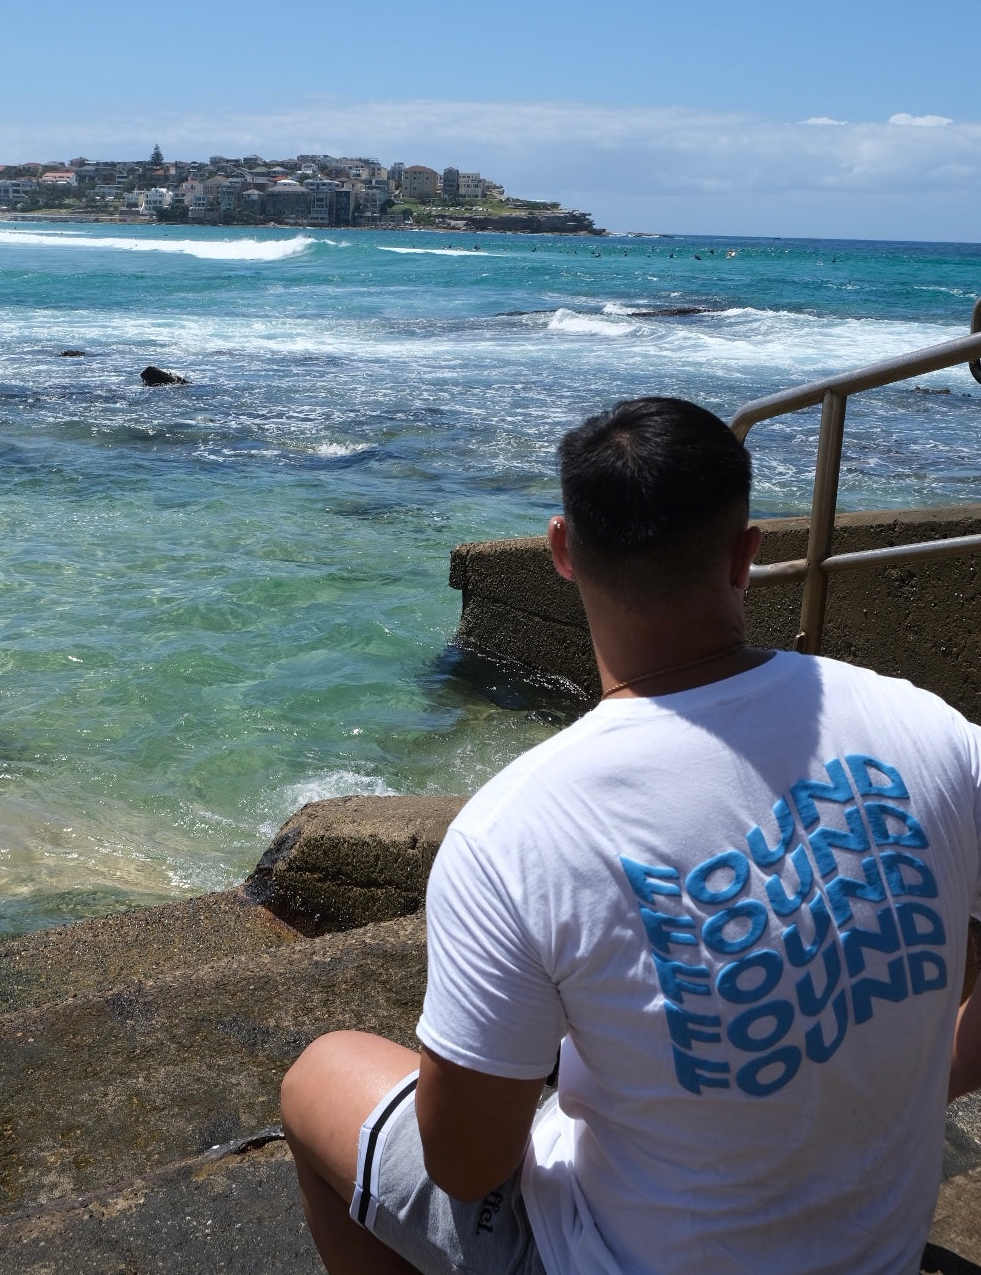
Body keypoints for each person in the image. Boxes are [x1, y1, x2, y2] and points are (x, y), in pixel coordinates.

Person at [281, 396, 981, 1275]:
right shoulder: (933, 729)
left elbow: (465, 1166)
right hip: (876, 1249)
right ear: (747, 554)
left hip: (615, 1255)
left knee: (322, 1071)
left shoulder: (516, 832)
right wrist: (922, 1085)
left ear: (562, 552)